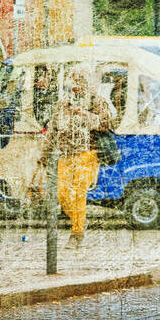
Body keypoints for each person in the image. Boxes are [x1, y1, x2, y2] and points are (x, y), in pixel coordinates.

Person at [48, 69, 115, 248]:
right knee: (62, 194)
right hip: (66, 154)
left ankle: (76, 233)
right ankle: (79, 220)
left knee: (78, 194)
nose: (76, 86)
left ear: (86, 83)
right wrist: (43, 156)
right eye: (73, 82)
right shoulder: (62, 104)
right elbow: (53, 130)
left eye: (79, 81)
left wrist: (84, 114)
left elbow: (106, 124)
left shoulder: (96, 101)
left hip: (87, 153)